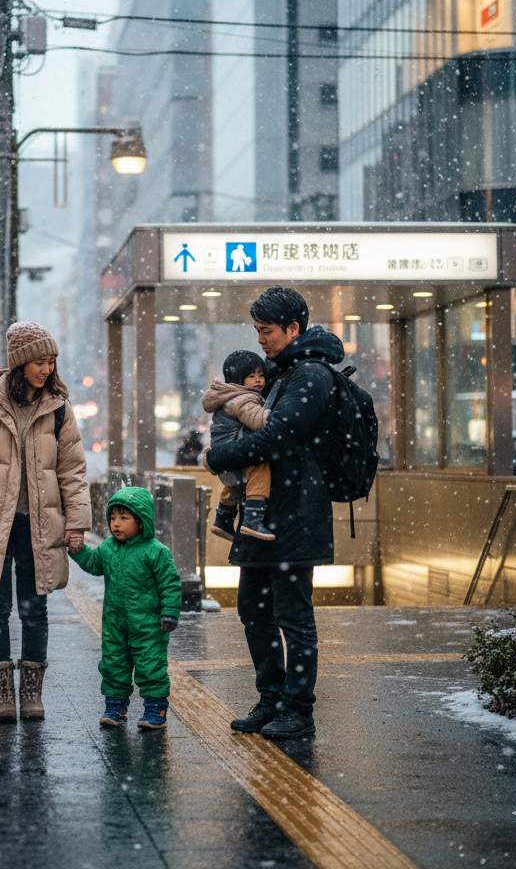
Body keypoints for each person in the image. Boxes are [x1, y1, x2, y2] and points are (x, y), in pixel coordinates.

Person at [203, 286, 343, 741]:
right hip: (263, 514)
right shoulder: (283, 372)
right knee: (253, 609)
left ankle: (298, 708)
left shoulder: (311, 375)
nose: (260, 340)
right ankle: (271, 698)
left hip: (295, 514)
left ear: (293, 329)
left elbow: (277, 436)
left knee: (293, 614)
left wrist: (219, 457)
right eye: (257, 331)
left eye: (266, 331)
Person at [0, 322, 91, 722]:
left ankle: (31, 692)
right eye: (39, 361)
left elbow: (73, 470)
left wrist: (76, 524)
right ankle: (3, 694)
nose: (45, 369)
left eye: (50, 362)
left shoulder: (59, 408)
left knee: (35, 608)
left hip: (39, 525)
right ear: (20, 363)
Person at [68, 486, 181, 730]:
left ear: (141, 522)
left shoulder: (156, 551)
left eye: (124, 518)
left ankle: (155, 709)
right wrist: (78, 551)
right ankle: (114, 706)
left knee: (150, 665)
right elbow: (94, 564)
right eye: (113, 517)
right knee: (113, 664)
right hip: (114, 623)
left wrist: (170, 612)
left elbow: (170, 583)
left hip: (148, 624)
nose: (116, 523)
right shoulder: (109, 548)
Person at [202, 350, 273, 541]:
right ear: (237, 379)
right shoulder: (245, 399)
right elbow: (258, 420)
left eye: (261, 375)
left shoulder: (229, 397)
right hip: (234, 452)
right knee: (260, 471)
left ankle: (223, 519)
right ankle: (253, 519)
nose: (258, 380)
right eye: (251, 376)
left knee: (237, 484)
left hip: (224, 456)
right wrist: (275, 416)